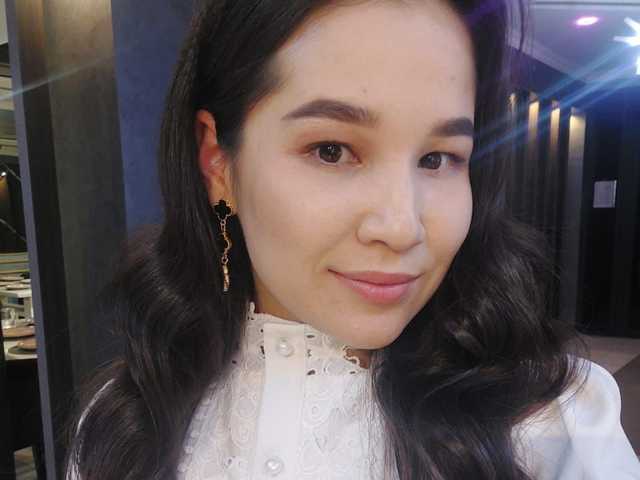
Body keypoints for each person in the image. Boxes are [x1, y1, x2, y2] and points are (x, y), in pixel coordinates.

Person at [65, 0, 640, 479]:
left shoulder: (555, 425)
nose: (402, 227)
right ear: (218, 162)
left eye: (438, 158)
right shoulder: (123, 423)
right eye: (332, 150)